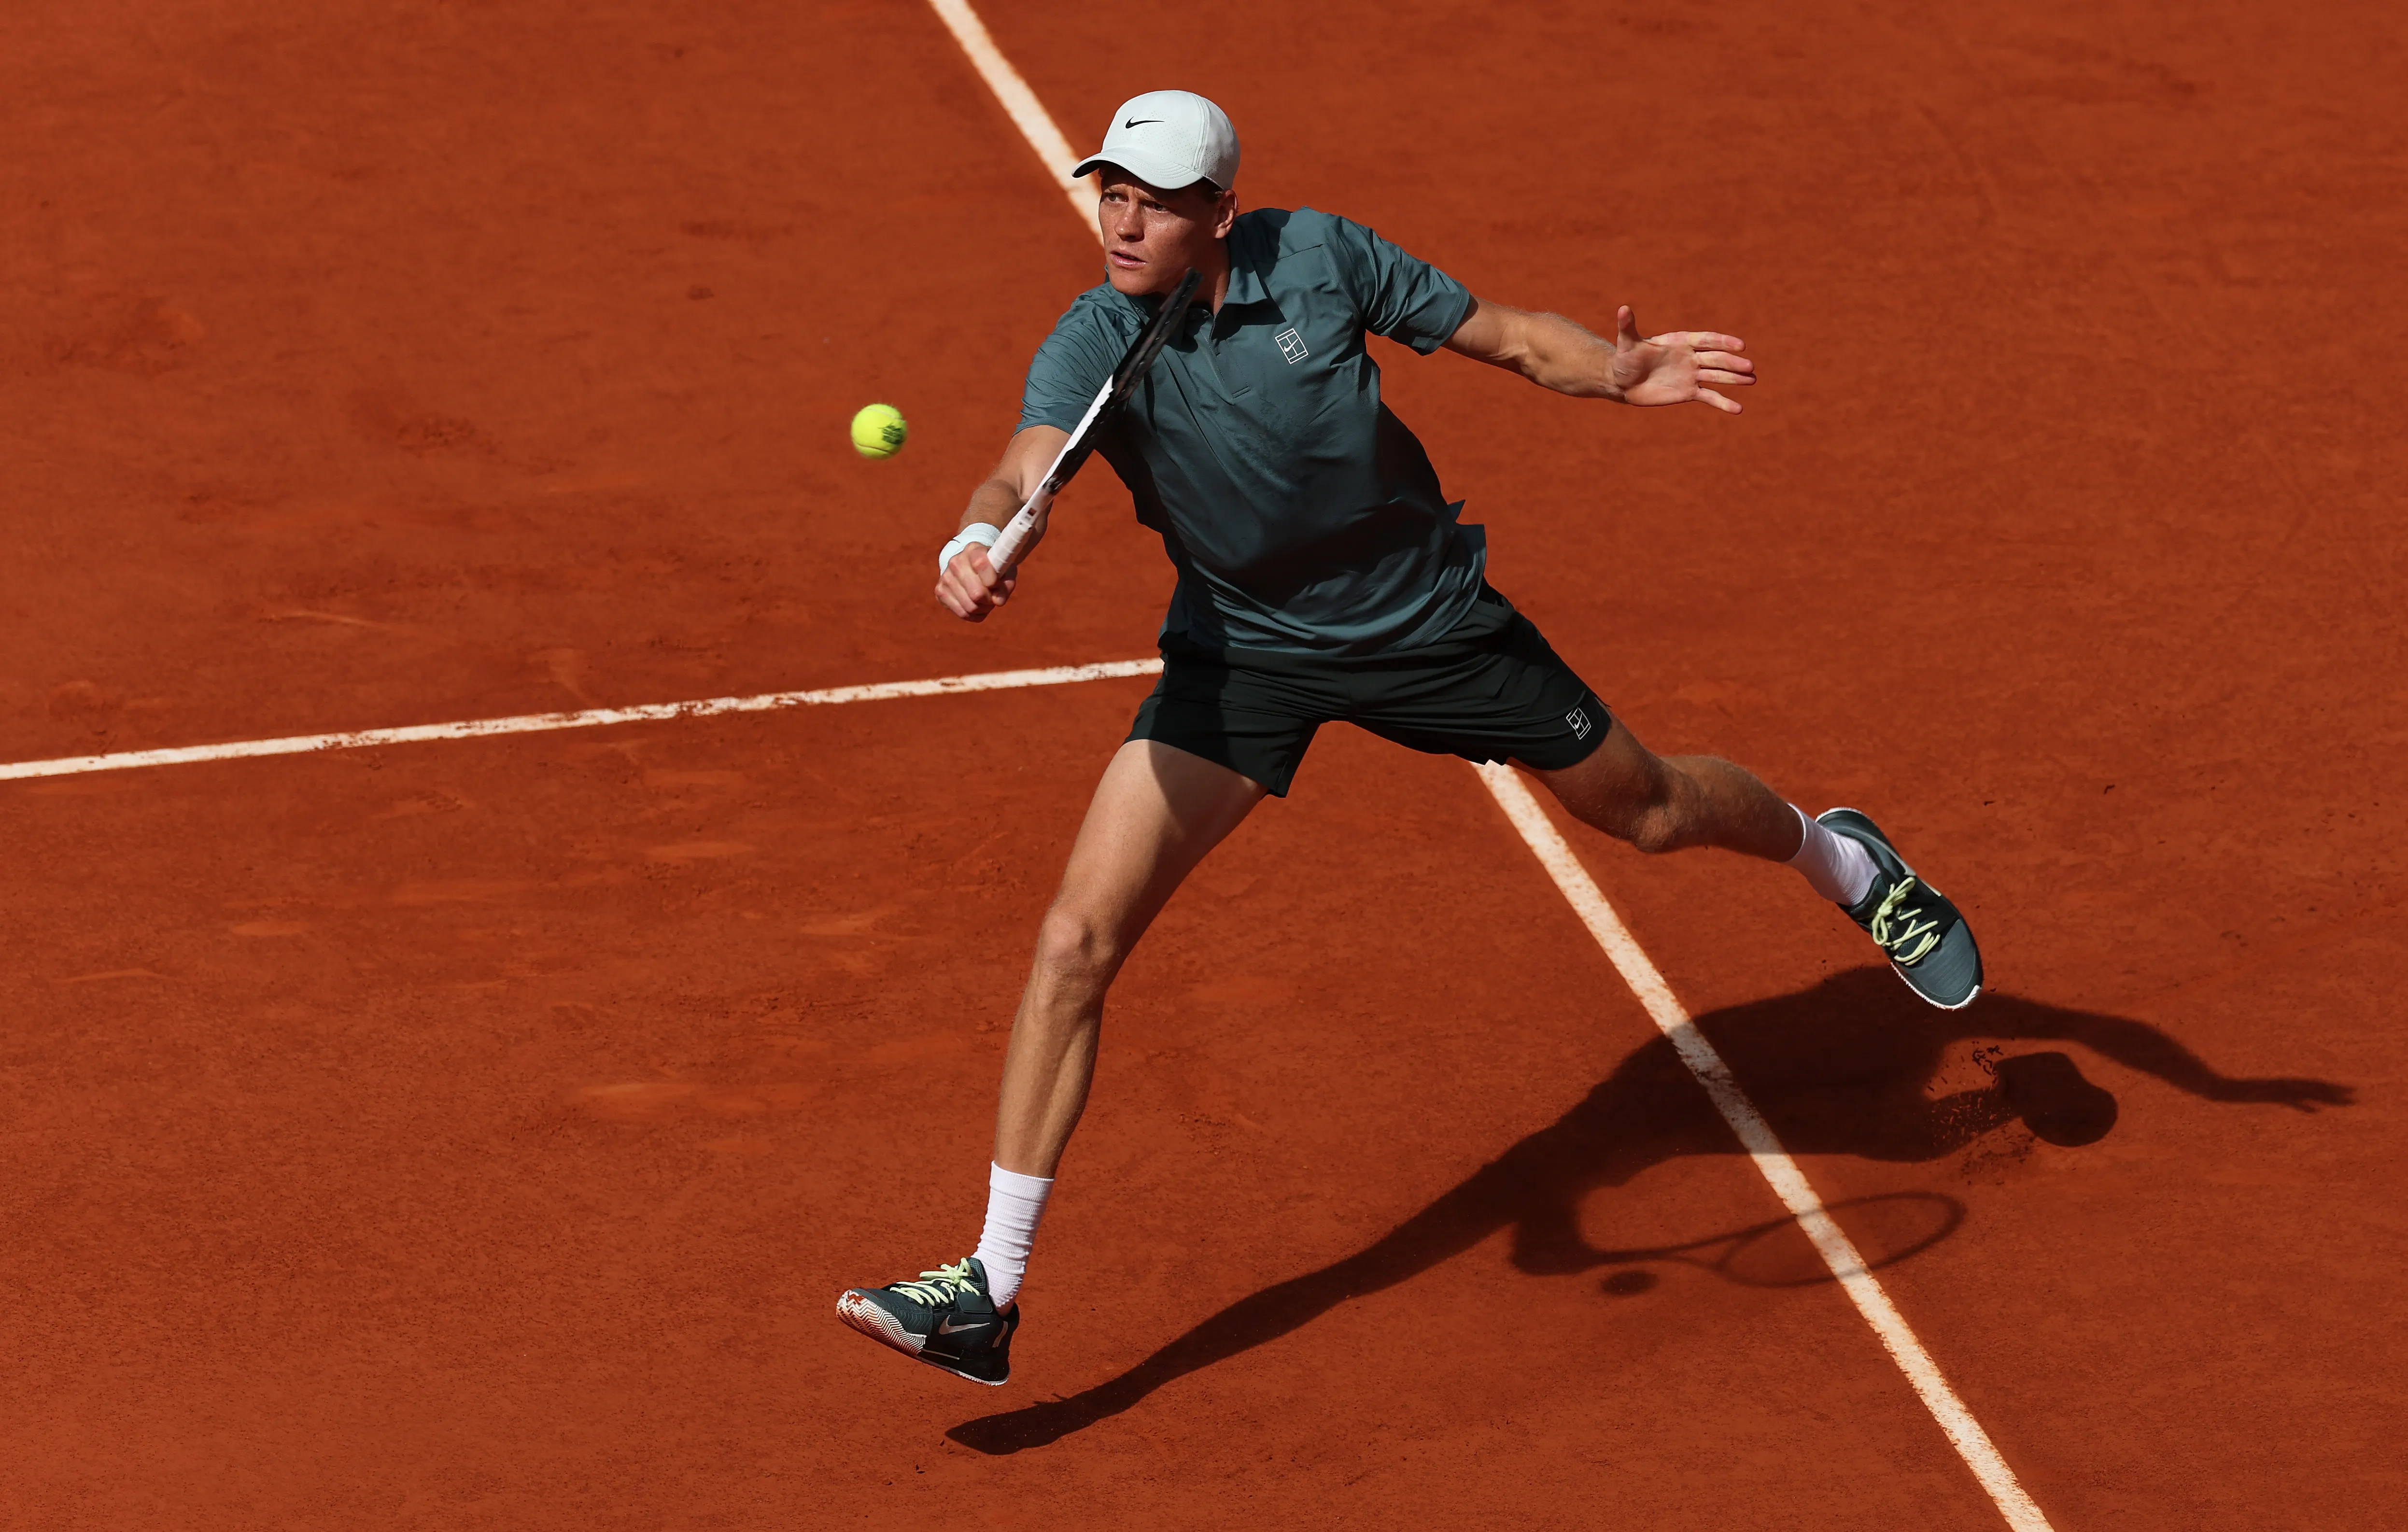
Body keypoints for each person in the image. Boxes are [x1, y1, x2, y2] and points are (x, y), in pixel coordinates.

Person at [837, 90, 1981, 1387]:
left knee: (1649, 808)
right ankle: (989, 1286)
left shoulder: (1322, 257)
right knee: (1073, 936)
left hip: (1428, 624)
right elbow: (1024, 469)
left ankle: (1845, 862)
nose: (1121, 218)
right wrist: (980, 539)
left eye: (1153, 200)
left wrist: (1610, 372)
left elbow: (1503, 335)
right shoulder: (1098, 340)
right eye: (1111, 191)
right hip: (1248, 657)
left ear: (1219, 211)